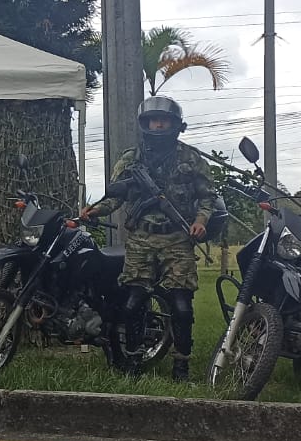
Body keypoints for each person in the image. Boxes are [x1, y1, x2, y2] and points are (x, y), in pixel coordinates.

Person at [79, 96, 214, 380]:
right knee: (133, 302)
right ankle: (133, 360)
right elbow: (115, 197)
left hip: (177, 238)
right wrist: (92, 212)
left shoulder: (190, 158)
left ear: (175, 124)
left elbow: (207, 198)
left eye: (163, 120)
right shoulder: (131, 159)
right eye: (154, 120)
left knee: (181, 304)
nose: (158, 124)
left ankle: (181, 365)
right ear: (145, 124)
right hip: (141, 238)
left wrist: (201, 222)